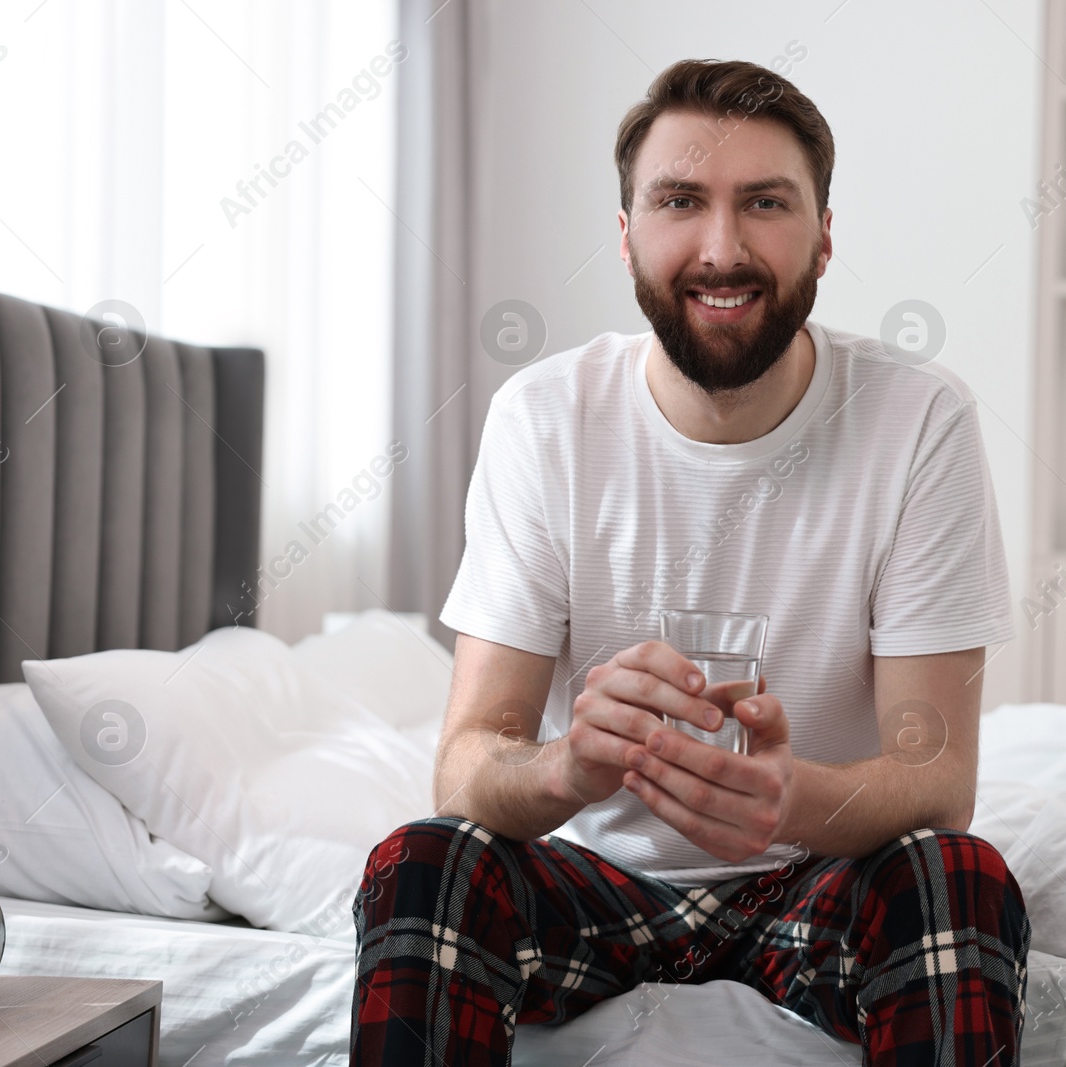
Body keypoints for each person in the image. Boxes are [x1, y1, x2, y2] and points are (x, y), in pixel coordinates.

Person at [351, 56, 1030, 1067]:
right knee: (422, 861)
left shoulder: (919, 419)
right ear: (626, 234)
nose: (721, 248)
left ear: (823, 236)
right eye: (680, 201)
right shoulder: (542, 420)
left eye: (764, 203)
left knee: (955, 872)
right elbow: (464, 764)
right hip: (598, 888)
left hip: (814, 880)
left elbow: (936, 778)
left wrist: (788, 798)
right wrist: (566, 766)